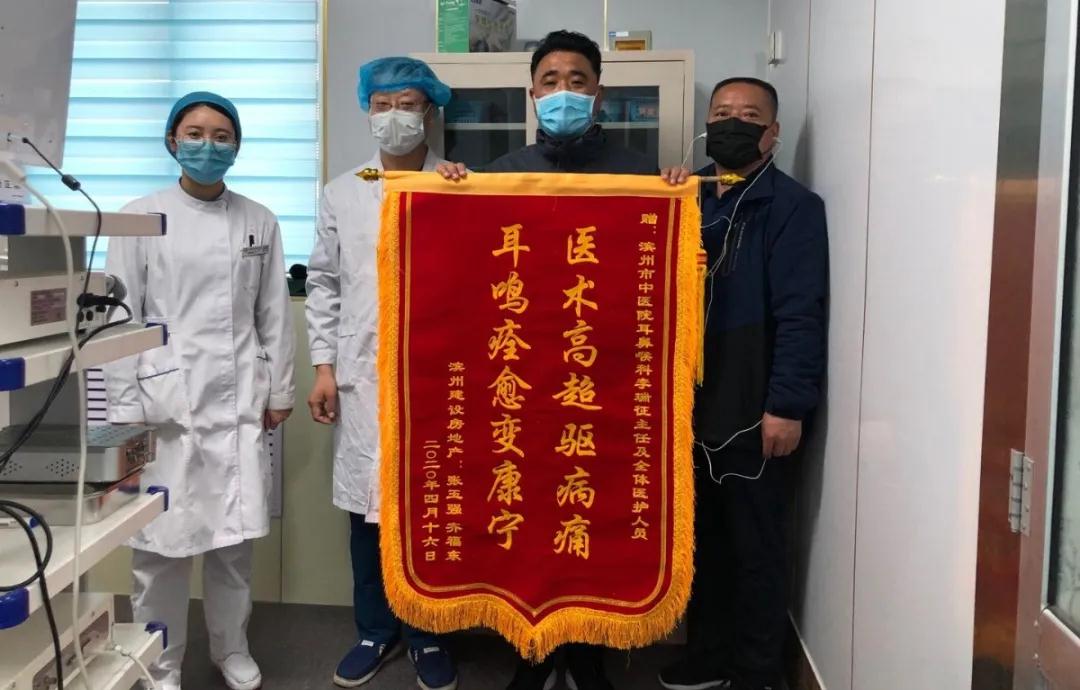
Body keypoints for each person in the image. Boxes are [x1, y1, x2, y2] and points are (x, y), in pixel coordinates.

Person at [438, 29, 655, 690]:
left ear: (599, 94)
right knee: (528, 519)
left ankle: (586, 655)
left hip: (602, 380)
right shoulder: (504, 172)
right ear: (533, 94)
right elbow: (469, 271)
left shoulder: (636, 175)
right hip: (523, 382)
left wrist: (672, 196)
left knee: (593, 518)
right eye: (551, 81)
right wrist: (449, 195)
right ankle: (531, 654)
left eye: (578, 81)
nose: (564, 92)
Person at [104, 91, 296, 690]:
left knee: (232, 542)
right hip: (163, 406)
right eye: (194, 133)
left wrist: (279, 390)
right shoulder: (139, 217)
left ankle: (231, 648)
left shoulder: (259, 219)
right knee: (160, 546)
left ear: (236, 146)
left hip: (237, 401)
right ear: (172, 141)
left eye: (221, 136)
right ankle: (159, 662)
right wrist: (125, 408)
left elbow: (273, 314)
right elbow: (119, 320)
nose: (207, 146)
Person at [657, 78, 828, 690]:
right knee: (700, 541)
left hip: (754, 408)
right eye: (722, 113)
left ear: (772, 133)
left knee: (756, 544)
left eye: (749, 115)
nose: (733, 122)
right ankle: (709, 655)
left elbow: (801, 313)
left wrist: (787, 404)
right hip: (686, 407)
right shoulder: (687, 195)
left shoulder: (793, 207)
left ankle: (757, 671)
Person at [305, 56, 459, 690]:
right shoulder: (343, 191)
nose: (394, 115)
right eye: (382, 104)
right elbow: (324, 284)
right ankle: (374, 629)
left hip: (438, 374)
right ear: (367, 110)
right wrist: (323, 367)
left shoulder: (458, 184)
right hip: (362, 375)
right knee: (365, 511)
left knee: (430, 504)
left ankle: (428, 631)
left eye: (408, 103)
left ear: (431, 112)